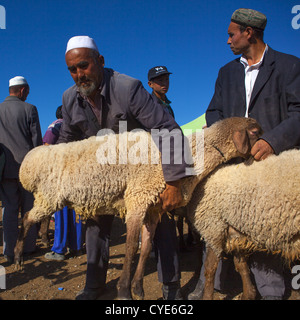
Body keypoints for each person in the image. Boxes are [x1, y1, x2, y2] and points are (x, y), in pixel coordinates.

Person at [57, 36, 190, 300]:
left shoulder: (127, 88)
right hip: (104, 175)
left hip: (142, 171)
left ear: (100, 61)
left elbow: (168, 130)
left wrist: (174, 183)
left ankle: (171, 288)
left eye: (84, 66)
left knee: (158, 220)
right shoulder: (70, 98)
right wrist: (62, 185)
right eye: (73, 69)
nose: (79, 75)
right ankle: (94, 285)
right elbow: (65, 144)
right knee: (94, 221)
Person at [188, 8, 300, 300]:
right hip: (232, 165)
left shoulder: (289, 66)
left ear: (249, 33)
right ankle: (211, 283)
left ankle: (271, 291)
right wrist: (226, 139)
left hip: (270, 162)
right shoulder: (227, 73)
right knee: (215, 220)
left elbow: (298, 113)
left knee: (265, 224)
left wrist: (273, 141)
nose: (227, 40)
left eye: (231, 34)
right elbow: (213, 112)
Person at [147, 66, 182, 299]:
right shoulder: (147, 105)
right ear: (150, 83)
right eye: (159, 80)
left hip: (170, 165)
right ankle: (170, 284)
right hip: (154, 169)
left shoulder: (167, 105)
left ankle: (170, 284)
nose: (164, 82)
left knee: (165, 223)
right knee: (163, 224)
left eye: (166, 78)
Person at [0, 76, 43, 264]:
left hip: (5, 169)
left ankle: (9, 250)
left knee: (8, 209)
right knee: (29, 209)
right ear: (23, 90)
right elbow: (36, 143)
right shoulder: (29, 109)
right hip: (27, 170)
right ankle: (28, 247)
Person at [43, 106, 84, 261]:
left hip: (62, 175)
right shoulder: (79, 126)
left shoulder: (56, 125)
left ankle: (59, 249)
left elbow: (47, 146)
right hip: (79, 175)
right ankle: (77, 246)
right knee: (76, 211)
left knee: (61, 211)